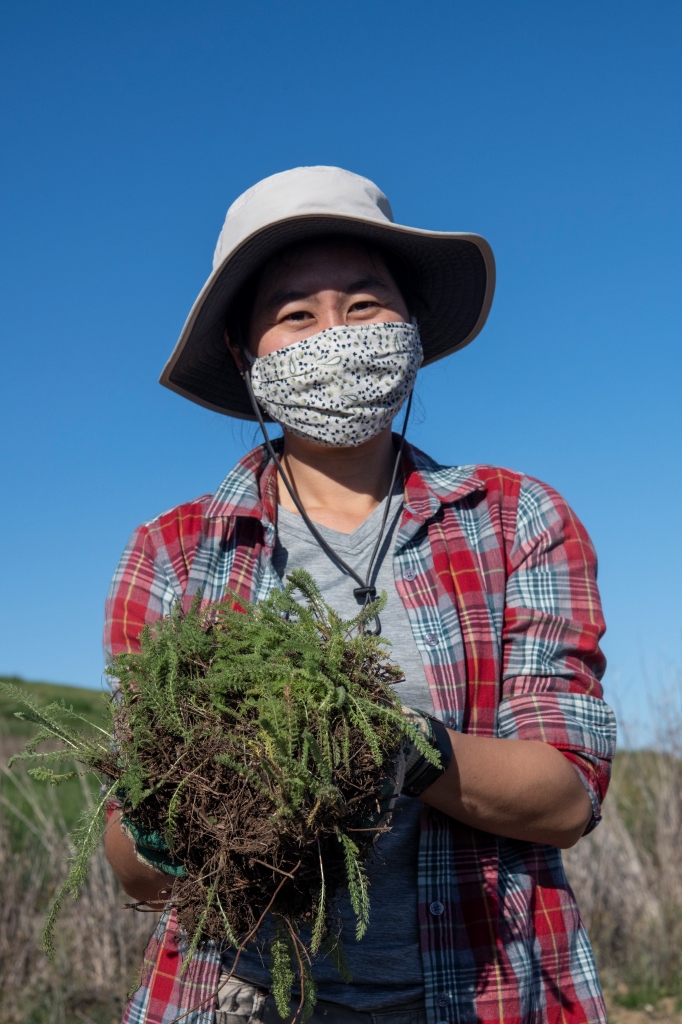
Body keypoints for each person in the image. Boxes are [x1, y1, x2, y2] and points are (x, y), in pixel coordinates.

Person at [104, 166, 616, 1024]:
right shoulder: (173, 551)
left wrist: (395, 743)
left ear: (410, 329)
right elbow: (133, 869)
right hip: (238, 999)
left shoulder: (514, 518)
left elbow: (566, 797)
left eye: (366, 305)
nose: (334, 333)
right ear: (244, 353)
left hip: (478, 995)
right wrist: (164, 820)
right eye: (295, 314)